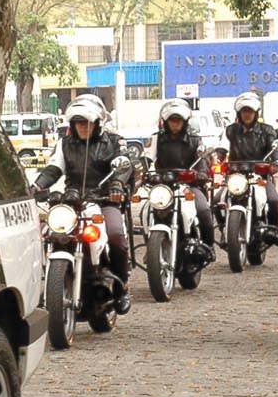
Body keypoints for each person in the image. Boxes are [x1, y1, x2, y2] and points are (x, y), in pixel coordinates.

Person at [33, 97, 134, 313]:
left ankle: (122, 288)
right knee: (47, 233)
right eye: (79, 123)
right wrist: (35, 186)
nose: (83, 127)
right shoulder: (64, 144)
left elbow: (123, 165)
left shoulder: (114, 142)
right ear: (72, 125)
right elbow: (53, 170)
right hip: (72, 201)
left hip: (104, 199)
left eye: (87, 123)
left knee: (116, 236)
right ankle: (51, 285)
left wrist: (116, 185)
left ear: (97, 123)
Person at [145, 98, 216, 249]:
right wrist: (144, 173)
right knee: (146, 211)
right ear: (166, 121)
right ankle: (152, 247)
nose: (175, 123)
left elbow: (202, 159)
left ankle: (208, 247)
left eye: (178, 120)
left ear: (185, 122)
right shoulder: (157, 138)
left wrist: (200, 173)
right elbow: (146, 158)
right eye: (172, 120)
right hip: (164, 187)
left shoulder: (195, 140)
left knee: (203, 210)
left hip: (189, 185)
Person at [224, 90, 278, 244]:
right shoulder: (231, 130)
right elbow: (222, 146)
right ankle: (225, 232)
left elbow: (275, 148)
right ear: (239, 112)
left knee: (274, 201)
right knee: (218, 201)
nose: (247, 114)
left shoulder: (267, 130)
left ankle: (273, 231)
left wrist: (275, 162)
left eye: (250, 111)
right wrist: (218, 156)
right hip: (237, 176)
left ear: (256, 112)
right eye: (244, 111)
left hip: (260, 177)